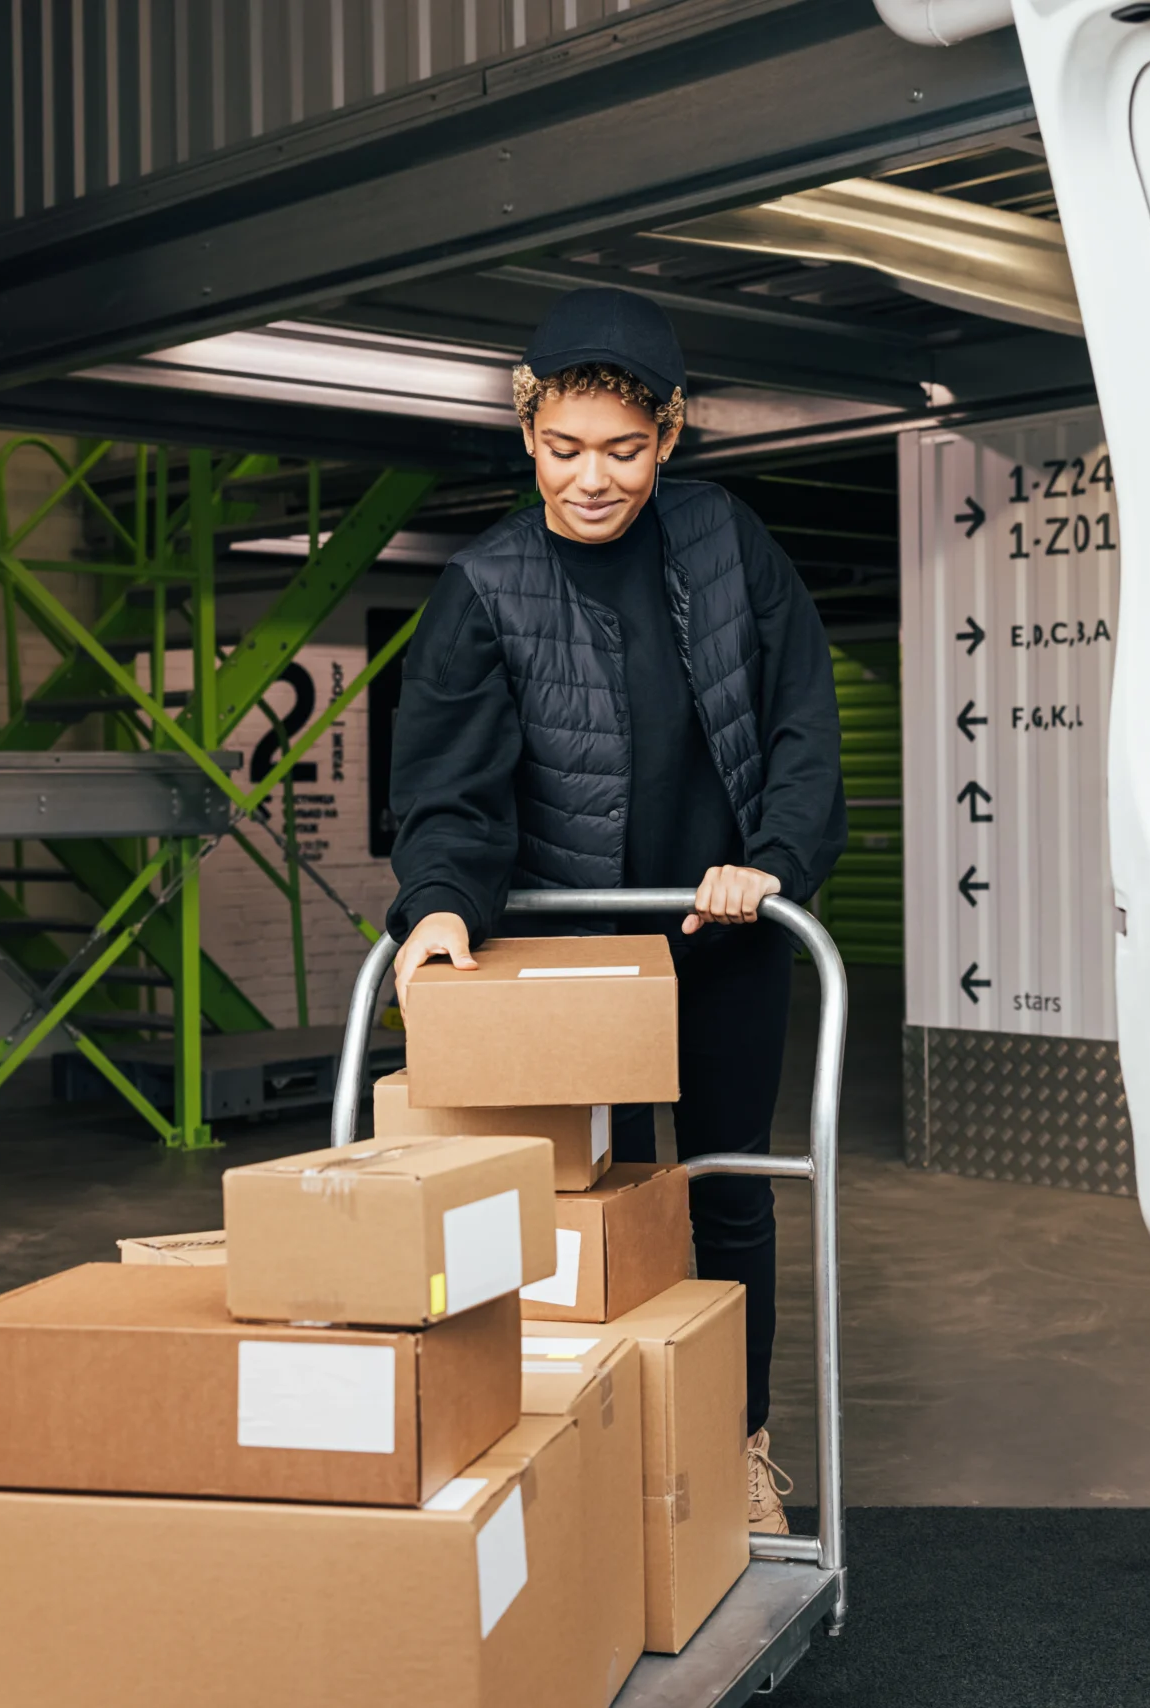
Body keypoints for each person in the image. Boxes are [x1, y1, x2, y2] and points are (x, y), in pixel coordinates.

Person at [384, 286, 846, 1534]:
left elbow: (803, 719)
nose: (594, 478)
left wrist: (777, 861)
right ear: (525, 432)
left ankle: (738, 1442)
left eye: (625, 451)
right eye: (565, 448)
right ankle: (560, 1457)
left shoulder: (726, 539)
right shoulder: (484, 586)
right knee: (555, 1205)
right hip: (566, 955)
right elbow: (448, 788)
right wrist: (435, 908)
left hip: (723, 937)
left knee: (724, 1188)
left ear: (673, 435)